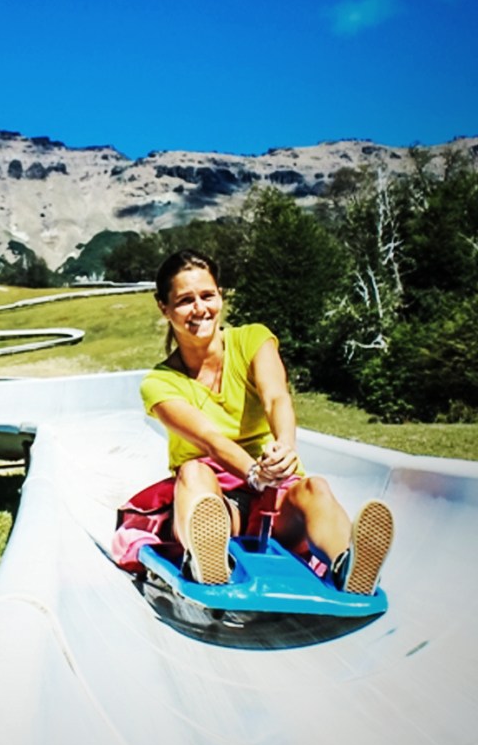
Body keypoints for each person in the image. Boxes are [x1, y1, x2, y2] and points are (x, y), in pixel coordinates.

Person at [117, 248, 393, 593]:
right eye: (185, 300)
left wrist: (285, 448)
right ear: (164, 307)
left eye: (207, 296)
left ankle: (348, 565)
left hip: (272, 498)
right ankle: (206, 556)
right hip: (216, 496)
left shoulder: (253, 340)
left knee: (315, 488)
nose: (200, 309)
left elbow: (276, 397)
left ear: (220, 296)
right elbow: (210, 441)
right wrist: (251, 472)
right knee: (194, 473)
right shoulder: (159, 383)